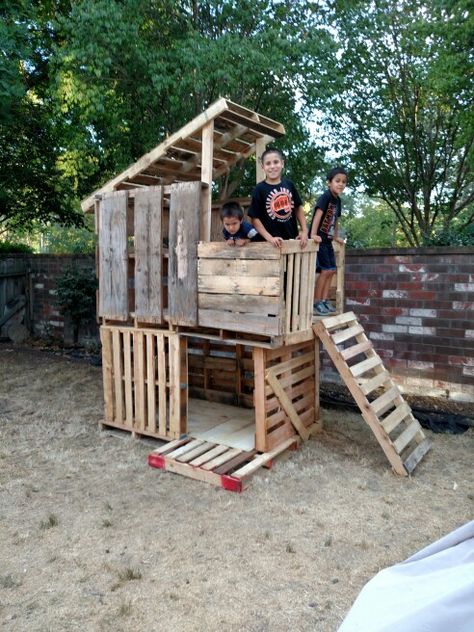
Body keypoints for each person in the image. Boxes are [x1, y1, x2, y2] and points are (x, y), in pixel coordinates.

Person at [247, 147, 308, 248]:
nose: (272, 166)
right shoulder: (259, 189)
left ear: (282, 163)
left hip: (291, 241)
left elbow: (298, 207)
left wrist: (304, 231)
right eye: (268, 163)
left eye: (276, 162)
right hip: (269, 245)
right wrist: (270, 238)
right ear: (263, 167)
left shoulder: (289, 185)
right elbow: (254, 218)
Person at [310, 167, 347, 315]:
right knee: (325, 271)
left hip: (328, 240)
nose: (340, 184)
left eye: (344, 182)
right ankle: (316, 302)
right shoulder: (325, 197)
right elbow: (318, 214)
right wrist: (313, 234)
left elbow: (335, 220)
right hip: (319, 240)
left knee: (331, 271)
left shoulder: (338, 201)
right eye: (337, 181)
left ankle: (324, 301)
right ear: (329, 183)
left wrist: (336, 235)